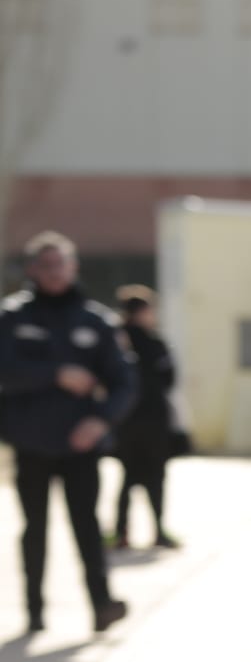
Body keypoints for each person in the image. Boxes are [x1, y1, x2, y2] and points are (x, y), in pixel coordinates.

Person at [0, 231, 136, 634]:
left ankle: (101, 604)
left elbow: (124, 382)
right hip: (31, 441)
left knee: (87, 526)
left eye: (62, 264)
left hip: (81, 443)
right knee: (35, 529)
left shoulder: (96, 320)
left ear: (74, 267)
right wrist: (55, 374)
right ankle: (34, 612)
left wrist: (101, 420)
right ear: (32, 270)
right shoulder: (12, 318)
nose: (55, 272)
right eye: (46, 265)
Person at [109, 285, 180, 548]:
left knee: (128, 478)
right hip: (149, 422)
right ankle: (156, 530)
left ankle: (121, 532)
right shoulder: (153, 343)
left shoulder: (115, 341)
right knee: (153, 478)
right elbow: (169, 379)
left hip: (125, 421)